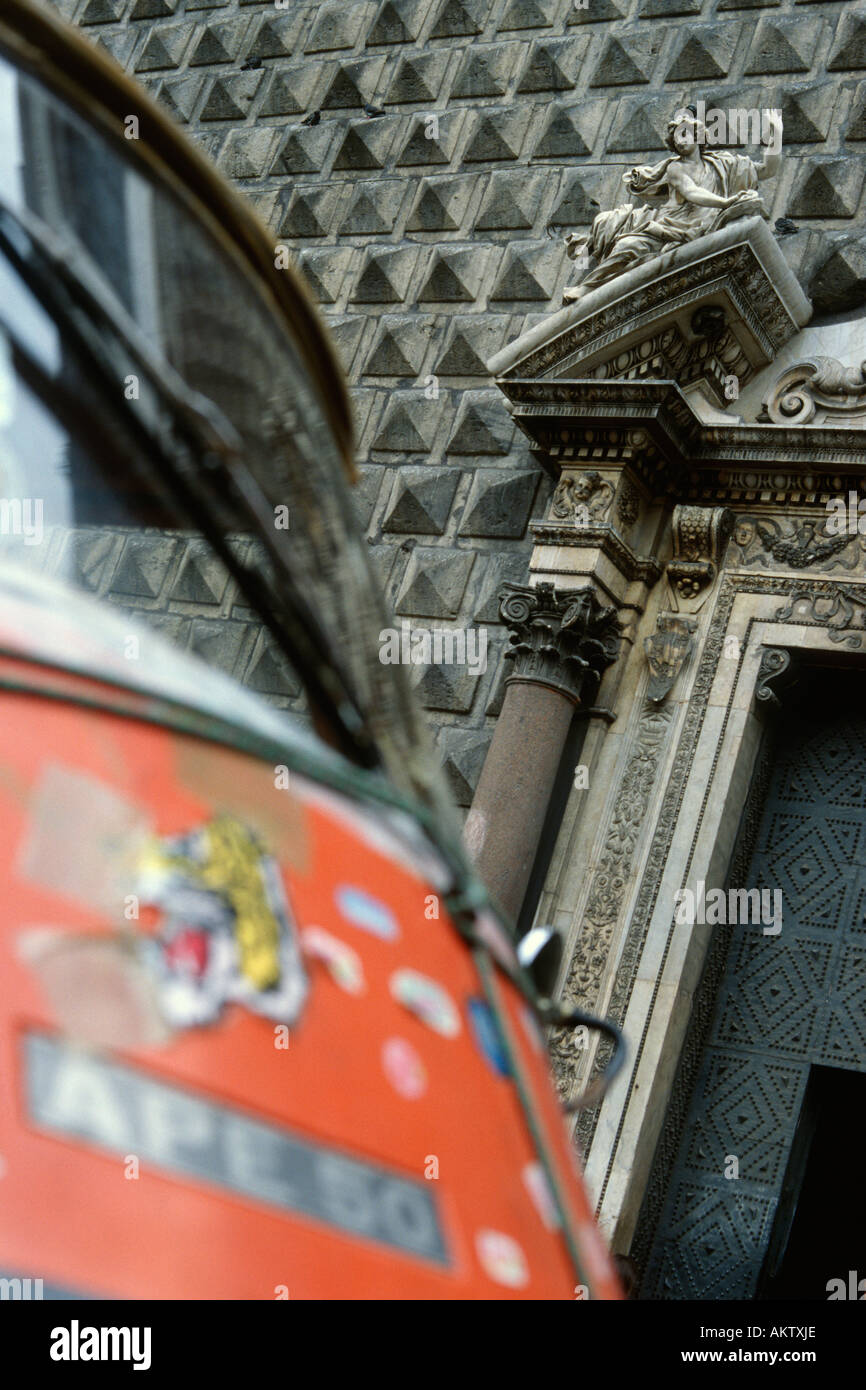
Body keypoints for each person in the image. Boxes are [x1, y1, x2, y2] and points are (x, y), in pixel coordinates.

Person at [562, 107, 782, 305]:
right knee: (628, 246)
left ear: (697, 136)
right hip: (671, 226)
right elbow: (691, 192)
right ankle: (587, 287)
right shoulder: (675, 168)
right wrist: (725, 202)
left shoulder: (723, 164)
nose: (681, 141)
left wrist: (776, 135)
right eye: (676, 138)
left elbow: (767, 170)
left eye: (685, 134)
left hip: (705, 223)